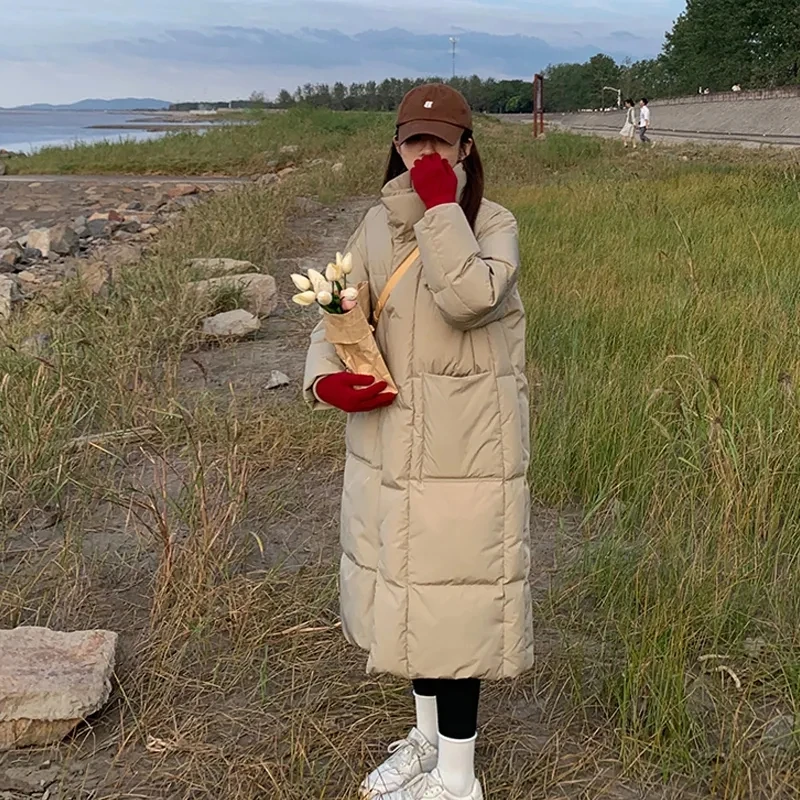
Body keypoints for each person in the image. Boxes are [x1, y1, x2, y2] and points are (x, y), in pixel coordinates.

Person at [303, 83, 532, 800]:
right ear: (396, 146)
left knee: (454, 607)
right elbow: (339, 314)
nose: (426, 151)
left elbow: (467, 299)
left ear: (467, 147)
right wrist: (324, 380)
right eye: (413, 141)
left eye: (441, 140)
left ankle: (459, 782)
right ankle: (427, 742)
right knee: (409, 600)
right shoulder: (373, 227)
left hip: (467, 457)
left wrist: (440, 209)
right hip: (393, 448)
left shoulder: (493, 224)